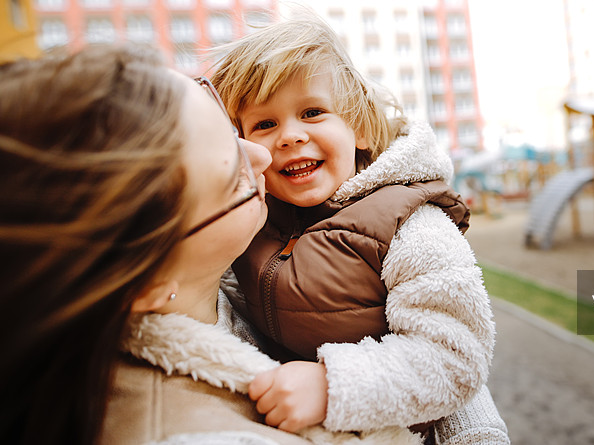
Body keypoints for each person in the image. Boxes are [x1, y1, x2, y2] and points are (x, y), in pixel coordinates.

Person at [0, 44, 419, 445]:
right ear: (144, 284)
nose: (262, 156)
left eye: (226, 123)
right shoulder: (204, 434)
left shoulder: (228, 277)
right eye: (233, 178)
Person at [211, 10, 509, 444]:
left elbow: (455, 357)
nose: (290, 136)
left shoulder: (408, 225)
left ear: (361, 129)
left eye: (312, 112)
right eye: (265, 124)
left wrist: (332, 386)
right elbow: (221, 304)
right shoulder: (254, 223)